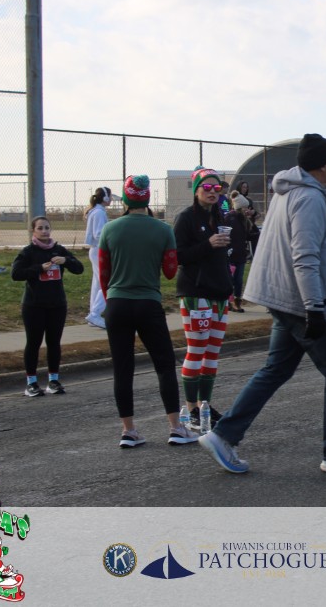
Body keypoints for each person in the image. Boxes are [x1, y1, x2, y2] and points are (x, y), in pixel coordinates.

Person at [198, 133, 326, 475]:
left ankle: (224, 435)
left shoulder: (288, 192)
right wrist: (315, 307)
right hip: (303, 301)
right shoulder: (308, 198)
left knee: (276, 369)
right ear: (323, 164)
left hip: (283, 296)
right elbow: (304, 256)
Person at [98, 175, 197, 448]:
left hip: (117, 304)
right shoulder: (163, 230)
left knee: (123, 368)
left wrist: (111, 300)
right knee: (164, 365)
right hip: (148, 303)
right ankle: (175, 427)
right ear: (147, 198)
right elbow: (169, 271)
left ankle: (129, 431)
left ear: (125, 198)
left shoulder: (109, 229)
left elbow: (103, 273)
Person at [174, 168, 235, 430]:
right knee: (196, 350)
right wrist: (208, 244)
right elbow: (178, 256)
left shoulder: (219, 216)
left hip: (219, 294)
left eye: (216, 188)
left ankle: (205, 405)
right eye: (207, 187)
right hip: (195, 294)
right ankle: (191, 409)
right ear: (196, 190)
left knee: (212, 354)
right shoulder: (186, 218)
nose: (212, 192)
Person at [11, 216, 85, 396]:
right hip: (34, 305)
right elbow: (16, 273)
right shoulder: (28, 252)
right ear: (33, 231)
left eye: (47, 228)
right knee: (34, 343)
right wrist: (38, 269)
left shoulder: (59, 250)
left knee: (54, 343)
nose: (44, 231)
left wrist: (66, 261)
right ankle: (31, 383)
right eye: (40, 228)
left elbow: (79, 268)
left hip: (57, 304)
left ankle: (53, 380)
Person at [84, 186, 112, 329]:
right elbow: (99, 234)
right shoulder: (99, 213)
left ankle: (93, 314)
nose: (111, 199)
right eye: (110, 196)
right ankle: (95, 313)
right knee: (107, 282)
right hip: (99, 250)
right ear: (105, 198)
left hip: (96, 250)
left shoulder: (96, 211)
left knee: (97, 283)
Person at [226, 192, 251, 312]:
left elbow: (251, 234)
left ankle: (237, 301)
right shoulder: (229, 218)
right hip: (231, 254)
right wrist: (227, 249)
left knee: (239, 280)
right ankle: (228, 301)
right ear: (239, 207)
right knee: (229, 279)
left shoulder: (245, 220)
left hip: (241, 254)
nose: (247, 209)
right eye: (245, 207)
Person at [233, 180, 261, 259]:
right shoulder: (236, 199)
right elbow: (235, 211)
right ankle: (251, 254)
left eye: (246, 187)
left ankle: (255, 255)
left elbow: (254, 212)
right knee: (253, 235)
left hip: (250, 222)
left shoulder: (249, 200)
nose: (245, 189)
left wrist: (254, 213)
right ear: (239, 187)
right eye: (243, 187)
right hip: (242, 223)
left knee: (257, 233)